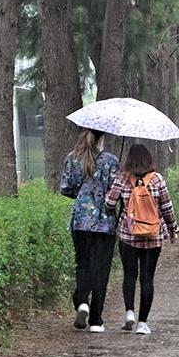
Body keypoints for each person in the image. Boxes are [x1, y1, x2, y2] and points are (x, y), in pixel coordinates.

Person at [105, 144, 179, 335]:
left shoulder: (123, 178)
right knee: (148, 278)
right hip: (153, 236)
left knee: (130, 275)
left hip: (128, 235)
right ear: (148, 159)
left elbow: (110, 203)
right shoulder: (157, 179)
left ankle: (129, 312)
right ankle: (142, 323)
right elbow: (167, 208)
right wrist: (173, 229)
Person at [60, 129, 119, 333]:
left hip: (80, 222)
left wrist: (83, 194)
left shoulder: (72, 159)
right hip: (104, 222)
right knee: (100, 270)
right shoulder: (111, 161)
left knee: (82, 263)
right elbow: (116, 190)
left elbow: (65, 188)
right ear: (101, 139)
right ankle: (96, 320)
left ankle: (82, 301)